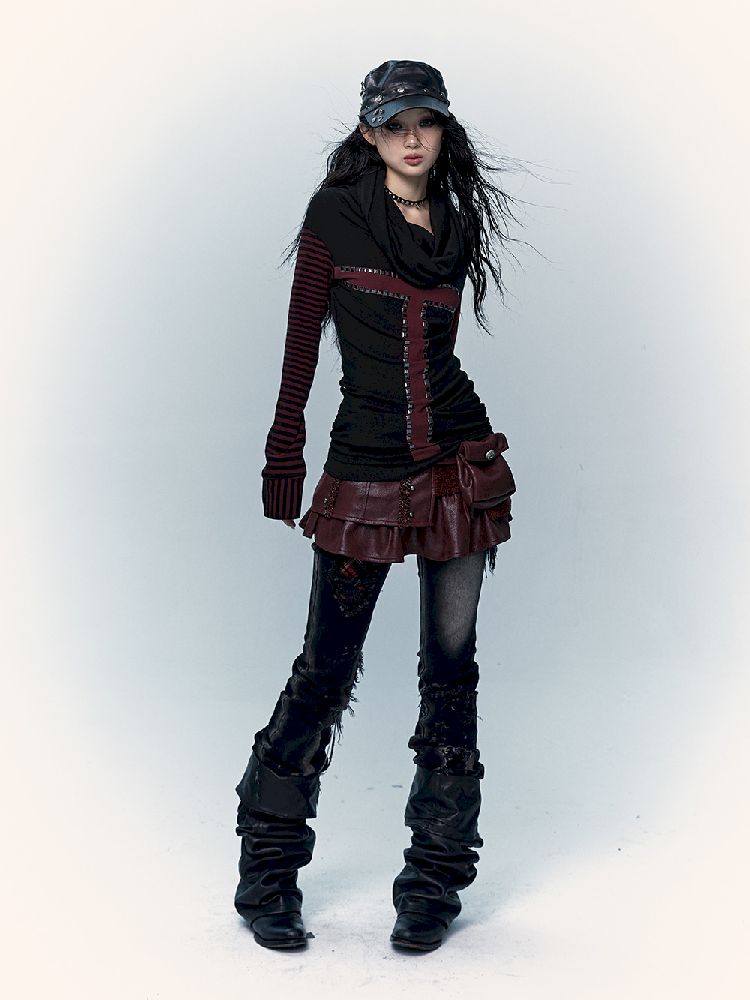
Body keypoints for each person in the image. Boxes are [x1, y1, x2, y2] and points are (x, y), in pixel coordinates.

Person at [233, 58, 519, 953]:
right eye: (394, 124)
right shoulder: (334, 216)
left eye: (425, 122)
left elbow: (439, 352)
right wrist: (285, 452)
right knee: (326, 669)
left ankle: (435, 880)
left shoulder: (455, 224)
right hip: (365, 467)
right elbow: (301, 344)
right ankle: (266, 872)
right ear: (369, 134)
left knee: (452, 673)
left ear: (443, 130)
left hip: (458, 469)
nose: (411, 138)